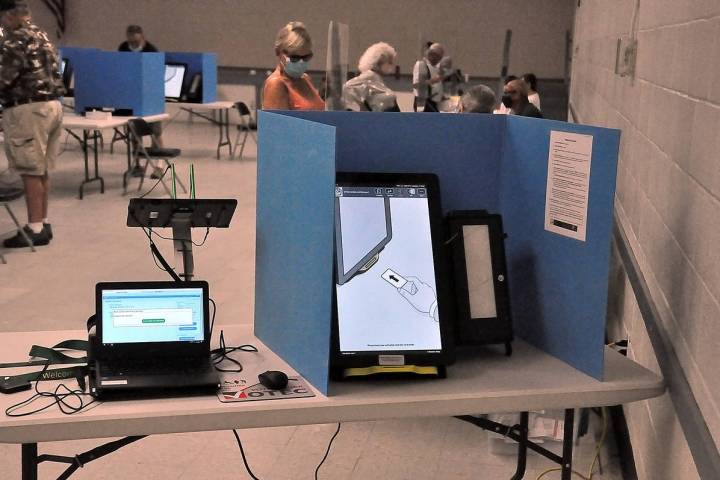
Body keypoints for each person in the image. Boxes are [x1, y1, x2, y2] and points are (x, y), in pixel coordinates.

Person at [1, 0, 64, 247]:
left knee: (29, 170)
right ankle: (43, 222)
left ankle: (34, 228)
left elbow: (3, 78)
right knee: (41, 169)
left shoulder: (14, 40)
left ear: (8, 16)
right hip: (52, 107)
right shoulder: (42, 36)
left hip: (28, 109)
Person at [262, 21, 324, 111]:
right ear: (278, 52)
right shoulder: (276, 84)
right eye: (294, 57)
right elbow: (279, 124)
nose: (301, 62)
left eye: (306, 57)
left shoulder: (305, 78)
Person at [342, 42, 399, 112]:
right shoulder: (371, 81)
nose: (393, 65)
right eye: (390, 62)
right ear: (379, 62)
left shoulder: (370, 80)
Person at [412, 43, 444, 112]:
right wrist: (433, 81)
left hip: (433, 103)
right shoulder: (422, 65)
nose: (438, 60)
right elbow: (417, 85)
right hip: (424, 104)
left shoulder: (434, 68)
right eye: (438, 57)